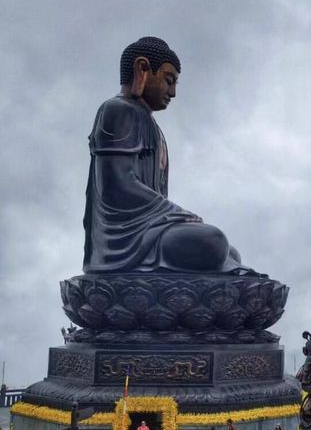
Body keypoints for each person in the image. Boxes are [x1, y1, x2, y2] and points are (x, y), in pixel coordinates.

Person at [83, 37, 247, 274]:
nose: (173, 92)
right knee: (213, 241)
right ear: (143, 70)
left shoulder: (150, 123)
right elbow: (116, 186)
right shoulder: (117, 110)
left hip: (149, 228)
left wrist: (174, 218)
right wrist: (176, 213)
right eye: (169, 80)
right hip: (124, 240)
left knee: (230, 252)